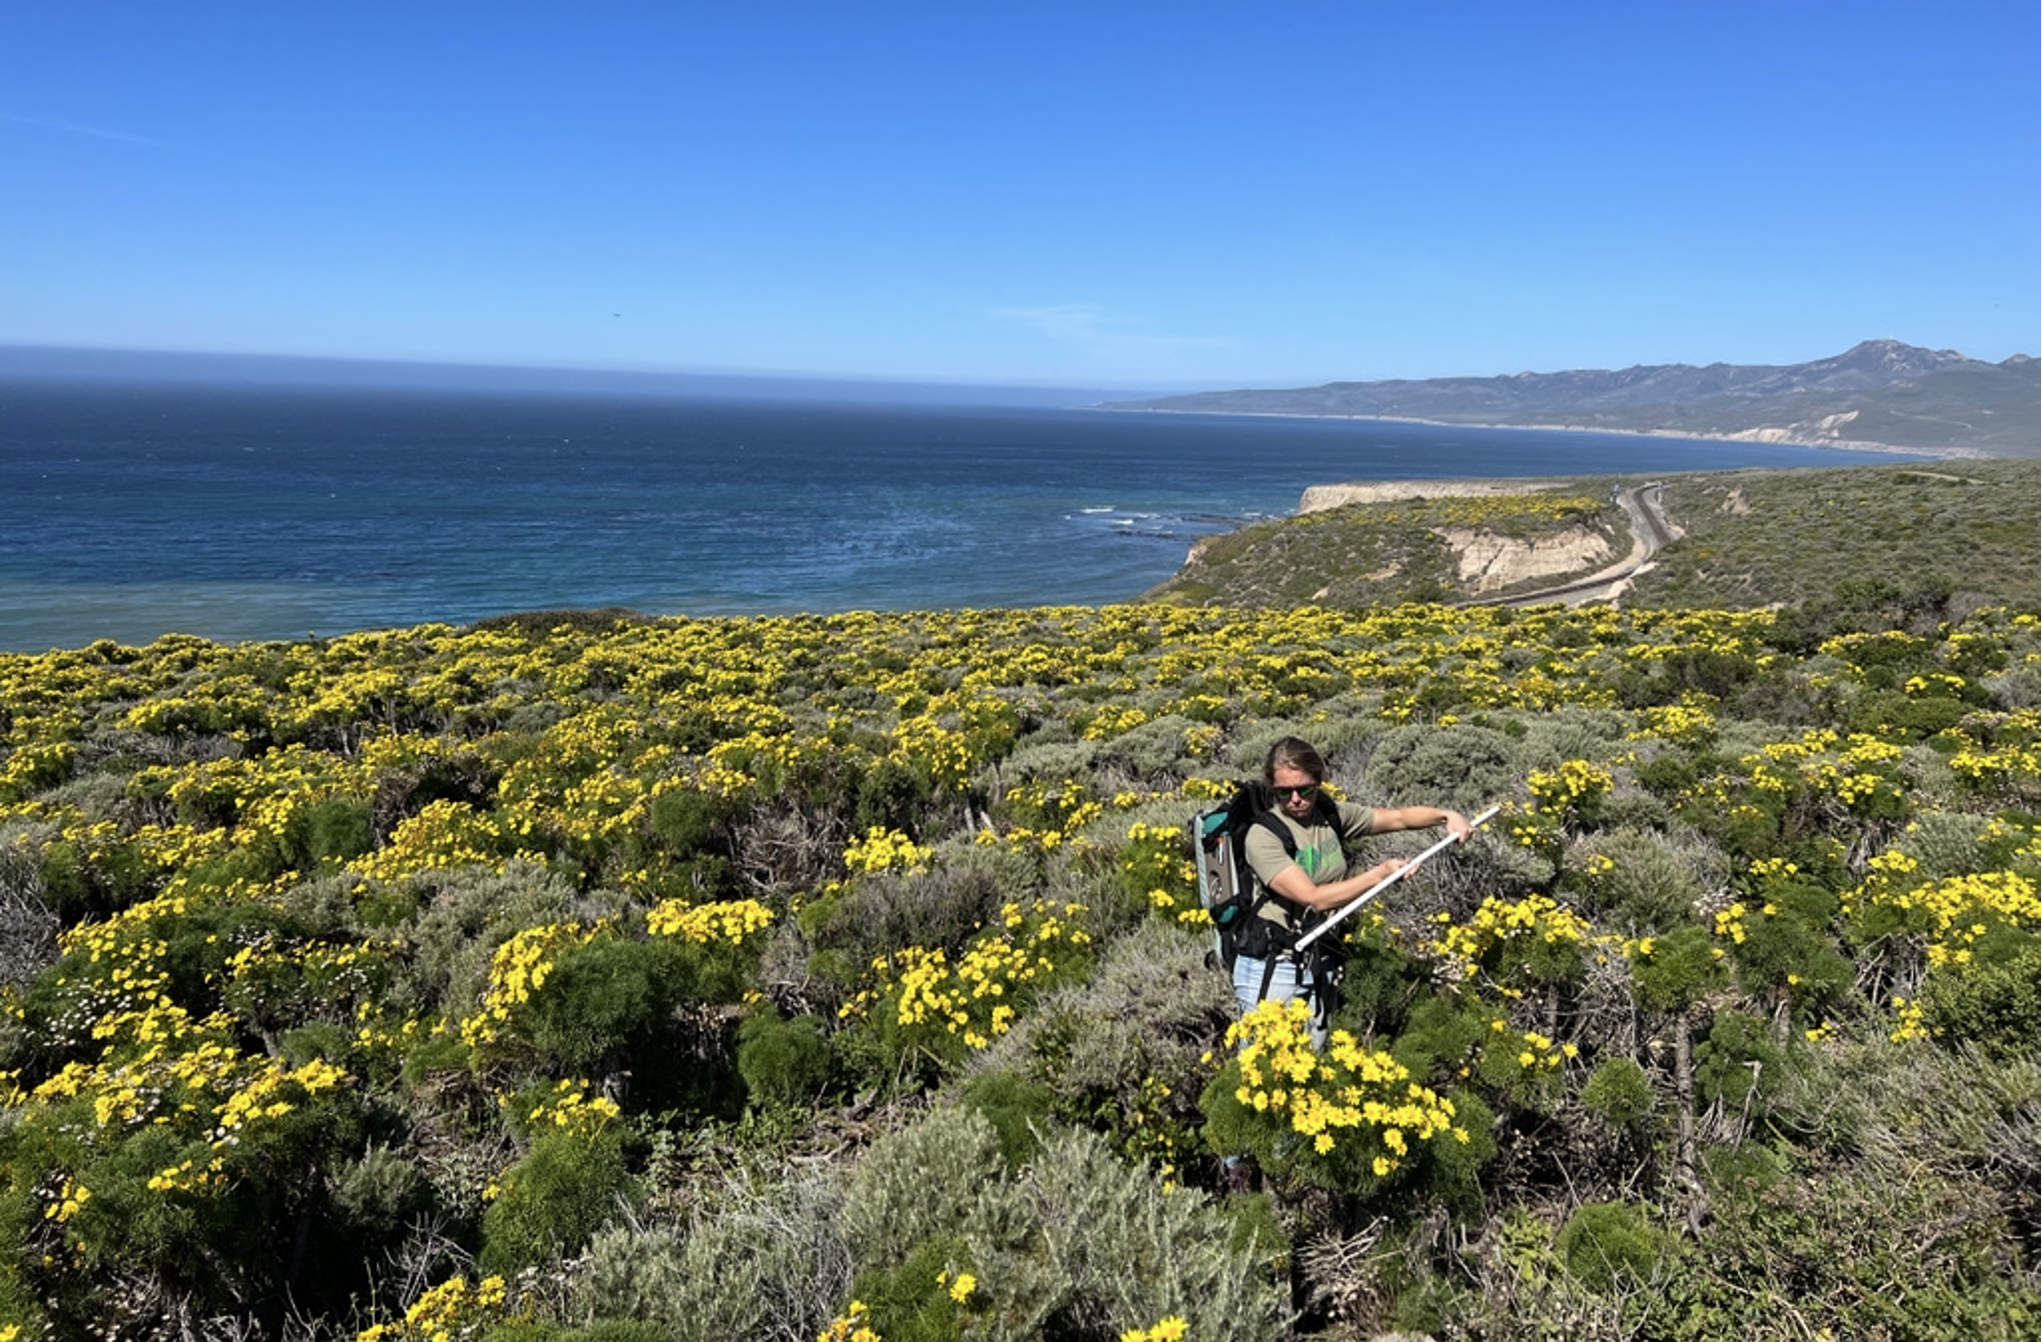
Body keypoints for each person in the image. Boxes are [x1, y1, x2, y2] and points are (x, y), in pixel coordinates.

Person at [1235, 736, 1472, 1044]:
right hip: (1273, 965)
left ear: (1318, 783)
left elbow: (1398, 818)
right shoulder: (1263, 835)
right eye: (1283, 793)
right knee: (1267, 1069)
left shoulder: (1329, 816)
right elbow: (1313, 898)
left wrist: (1445, 816)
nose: (1295, 799)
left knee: (1310, 1062)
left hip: (1318, 958)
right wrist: (1380, 874)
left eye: (1305, 789)